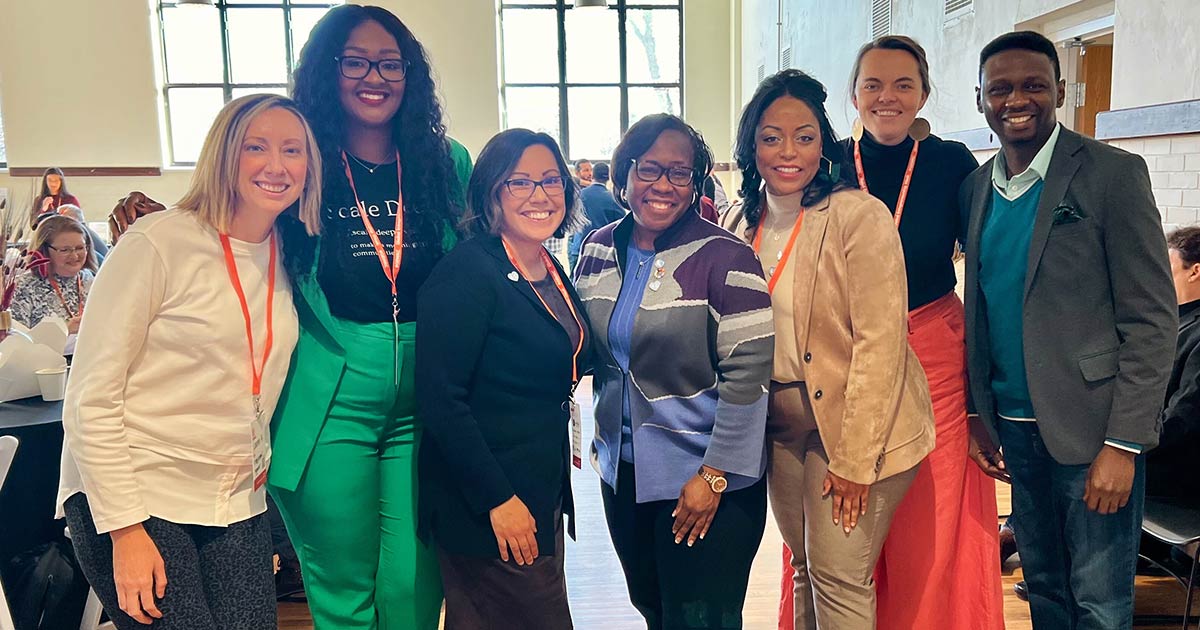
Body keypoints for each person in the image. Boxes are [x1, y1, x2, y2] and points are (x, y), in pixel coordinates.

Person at [108, 6, 473, 628]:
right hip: (328, 393)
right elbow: (232, 228)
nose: (373, 76)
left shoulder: (448, 163)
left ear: (412, 73)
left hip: (427, 396)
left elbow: (474, 269)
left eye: (391, 62)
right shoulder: (303, 161)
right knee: (342, 588)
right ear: (327, 72)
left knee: (415, 586)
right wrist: (161, 223)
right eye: (354, 61)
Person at [56, 93, 320, 629]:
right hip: (137, 493)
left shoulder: (288, 251)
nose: (277, 165)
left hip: (233, 501)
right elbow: (90, 397)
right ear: (223, 155)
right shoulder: (158, 243)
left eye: (293, 150)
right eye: (257, 147)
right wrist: (125, 531)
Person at [961, 30, 1177, 630]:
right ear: (979, 98)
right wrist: (979, 413)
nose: (1016, 99)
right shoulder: (976, 189)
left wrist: (1125, 444)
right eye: (999, 88)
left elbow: (1152, 319)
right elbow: (979, 307)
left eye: (1033, 85)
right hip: (1014, 432)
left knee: (1101, 603)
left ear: (1059, 90)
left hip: (1093, 433)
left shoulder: (1112, 175)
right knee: (1046, 591)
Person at [722, 68, 935, 630]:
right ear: (751, 146)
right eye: (771, 137)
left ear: (825, 142)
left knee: (840, 576)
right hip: (782, 423)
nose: (788, 151)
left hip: (856, 425)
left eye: (805, 136)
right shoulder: (739, 220)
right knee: (803, 568)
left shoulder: (857, 216)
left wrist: (856, 462)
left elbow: (881, 343)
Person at [574, 113, 775, 630]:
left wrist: (713, 476)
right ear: (625, 174)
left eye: (680, 173)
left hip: (708, 480)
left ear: (696, 181)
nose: (663, 185)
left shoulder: (725, 257)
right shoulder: (596, 250)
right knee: (654, 609)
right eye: (650, 169)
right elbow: (584, 350)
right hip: (625, 476)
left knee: (702, 619)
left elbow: (749, 375)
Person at [842, 35, 1003, 630]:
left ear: (925, 94)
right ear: (853, 94)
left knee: (931, 514)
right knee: (846, 508)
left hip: (932, 346)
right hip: (846, 355)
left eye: (903, 84)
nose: (888, 97)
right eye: (874, 84)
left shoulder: (951, 162)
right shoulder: (830, 163)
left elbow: (988, 262)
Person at [417, 128, 587, 630]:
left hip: (537, 487)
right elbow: (442, 399)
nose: (540, 195)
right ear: (491, 192)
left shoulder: (547, 265)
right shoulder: (468, 273)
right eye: (520, 183)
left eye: (551, 180)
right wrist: (497, 498)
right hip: (491, 499)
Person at [1147, 226, 1200, 500]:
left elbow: (1183, 419)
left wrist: (1126, 445)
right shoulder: (1168, 321)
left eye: (1168, 266)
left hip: (1177, 469)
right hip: (1157, 447)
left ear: (1195, 272)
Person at [11, 215, 97, 334]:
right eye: (65, 250)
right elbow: (16, 342)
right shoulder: (24, 286)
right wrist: (63, 331)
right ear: (44, 251)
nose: (75, 256)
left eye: (79, 248)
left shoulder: (88, 278)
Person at [567, 161, 624, 269]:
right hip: (601, 253)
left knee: (572, 284)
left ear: (593, 175)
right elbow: (622, 227)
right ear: (609, 177)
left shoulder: (579, 195)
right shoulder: (613, 200)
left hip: (578, 248)